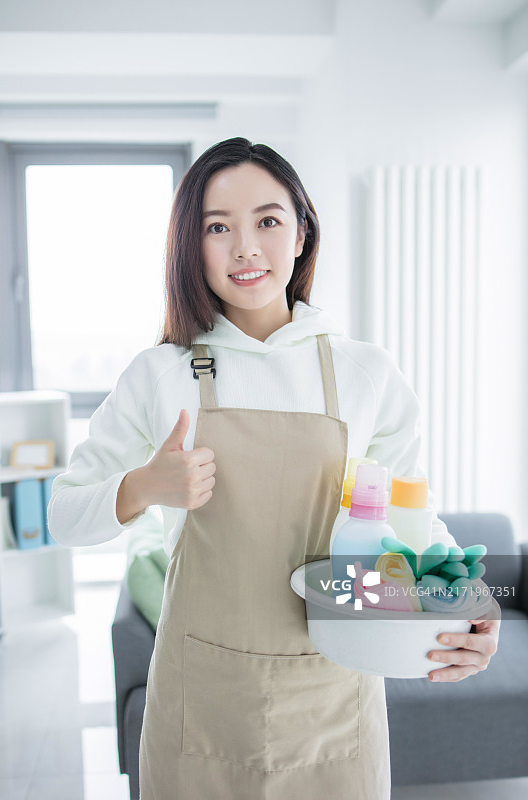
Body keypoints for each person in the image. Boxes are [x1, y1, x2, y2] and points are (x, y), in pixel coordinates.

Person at [48, 137, 500, 799]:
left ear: (301, 232)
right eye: (217, 227)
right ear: (189, 244)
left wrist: (466, 608)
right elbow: (64, 515)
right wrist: (143, 486)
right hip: (201, 699)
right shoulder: (160, 373)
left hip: (334, 696)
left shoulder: (365, 372)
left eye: (266, 220)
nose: (245, 248)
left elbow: (413, 517)